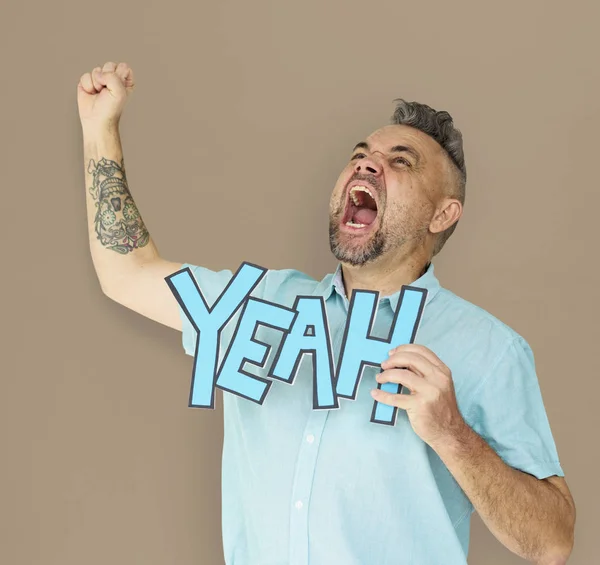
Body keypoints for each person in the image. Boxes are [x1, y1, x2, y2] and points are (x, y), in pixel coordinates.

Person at [77, 61, 576, 565]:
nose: (366, 164)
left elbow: (553, 543)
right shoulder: (257, 305)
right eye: (360, 155)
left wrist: (453, 433)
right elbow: (126, 273)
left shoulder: (488, 349)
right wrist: (100, 128)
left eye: (401, 162)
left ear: (442, 214)